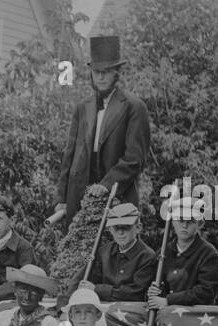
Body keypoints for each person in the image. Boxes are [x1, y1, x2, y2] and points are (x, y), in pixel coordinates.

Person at [53, 36, 152, 225]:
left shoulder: (134, 107)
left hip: (117, 198)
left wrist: (106, 186)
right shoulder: (83, 107)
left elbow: (135, 159)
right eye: (97, 72)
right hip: (79, 200)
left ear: (117, 73)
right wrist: (61, 198)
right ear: (91, 73)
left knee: (113, 251)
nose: (101, 77)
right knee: (77, 251)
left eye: (106, 72)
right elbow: (70, 156)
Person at [148, 214, 218, 309]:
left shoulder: (209, 254)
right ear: (173, 222)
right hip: (165, 316)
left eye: (190, 221)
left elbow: (206, 292)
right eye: (180, 220)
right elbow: (153, 287)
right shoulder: (163, 252)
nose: (184, 226)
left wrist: (168, 300)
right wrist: (153, 291)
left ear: (200, 224)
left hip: (194, 317)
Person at [86, 202, 156, 302]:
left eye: (126, 227)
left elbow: (136, 293)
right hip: (103, 305)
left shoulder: (147, 256)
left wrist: (98, 289)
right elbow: (90, 282)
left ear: (138, 228)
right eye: (116, 227)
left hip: (131, 309)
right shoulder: (104, 252)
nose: (120, 232)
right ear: (110, 229)